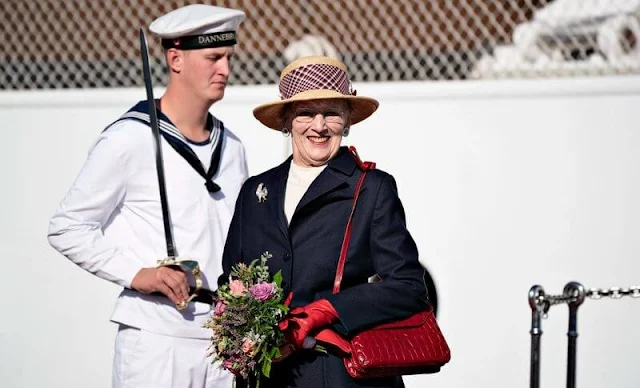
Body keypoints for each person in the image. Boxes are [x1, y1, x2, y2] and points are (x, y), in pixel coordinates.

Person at [47, 4, 248, 388]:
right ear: (176, 59)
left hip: (223, 341)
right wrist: (138, 274)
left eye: (227, 57)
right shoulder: (128, 139)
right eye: (213, 57)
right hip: (156, 339)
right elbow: (67, 227)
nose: (225, 69)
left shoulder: (233, 147)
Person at [219, 56, 429, 388]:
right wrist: (242, 331)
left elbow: (410, 288)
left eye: (331, 113)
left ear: (346, 121)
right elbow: (231, 281)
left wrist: (331, 309)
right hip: (268, 379)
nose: (319, 125)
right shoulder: (255, 192)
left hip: (341, 375)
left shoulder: (371, 188)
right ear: (287, 121)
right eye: (305, 113)